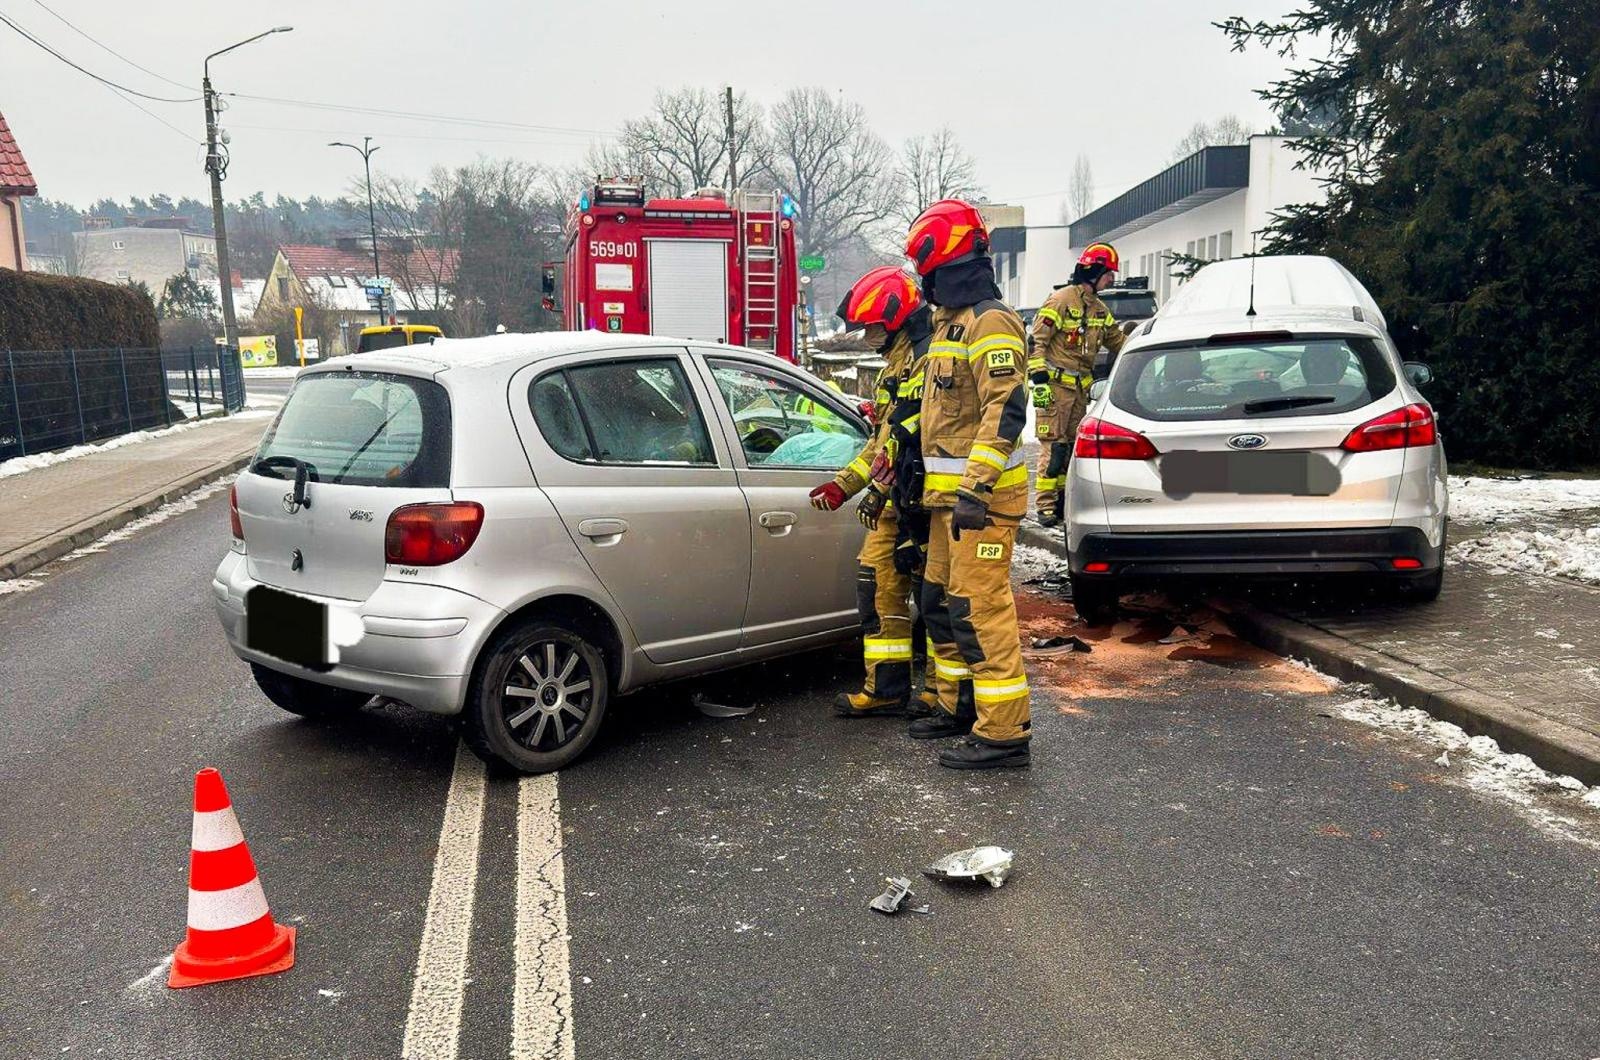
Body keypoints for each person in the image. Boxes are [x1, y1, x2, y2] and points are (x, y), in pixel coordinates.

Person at [902, 199, 1033, 770]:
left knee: (980, 609)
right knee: (941, 604)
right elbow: (940, 412)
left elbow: (1005, 408)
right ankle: (958, 705)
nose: (921, 279)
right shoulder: (947, 322)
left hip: (982, 502)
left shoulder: (990, 321)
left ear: (945, 261)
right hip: (945, 502)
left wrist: (976, 487)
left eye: (925, 268)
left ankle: (1004, 733)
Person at [809, 267, 939, 719]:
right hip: (893, 503)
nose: (866, 336)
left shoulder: (930, 360)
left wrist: (878, 491)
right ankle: (885, 689)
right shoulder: (896, 366)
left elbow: (914, 442)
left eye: (872, 327)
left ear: (898, 318)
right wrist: (844, 485)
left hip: (923, 503)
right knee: (877, 589)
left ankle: (939, 695)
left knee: (934, 602)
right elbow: (880, 443)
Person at [1027, 243, 1126, 527]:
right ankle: (1045, 506)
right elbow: (1038, 343)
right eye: (1109, 274)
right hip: (1055, 390)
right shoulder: (1060, 300)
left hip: (1080, 392)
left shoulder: (1099, 309)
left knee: (1070, 448)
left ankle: (1060, 501)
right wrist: (1039, 380)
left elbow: (1116, 341)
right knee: (1054, 448)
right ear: (1094, 271)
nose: (1111, 280)